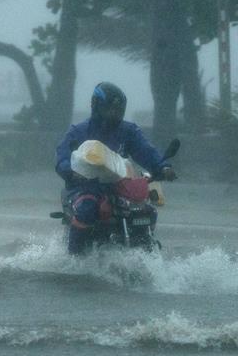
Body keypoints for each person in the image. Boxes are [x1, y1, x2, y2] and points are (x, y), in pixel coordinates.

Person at [55, 82, 177, 254]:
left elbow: (146, 151)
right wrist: (71, 172)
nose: (115, 114)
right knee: (86, 209)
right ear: (96, 105)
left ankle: (148, 252)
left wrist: (163, 167)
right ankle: (74, 258)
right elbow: (62, 158)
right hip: (85, 186)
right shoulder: (79, 132)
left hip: (121, 186)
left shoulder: (129, 131)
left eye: (119, 110)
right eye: (110, 109)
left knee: (146, 211)